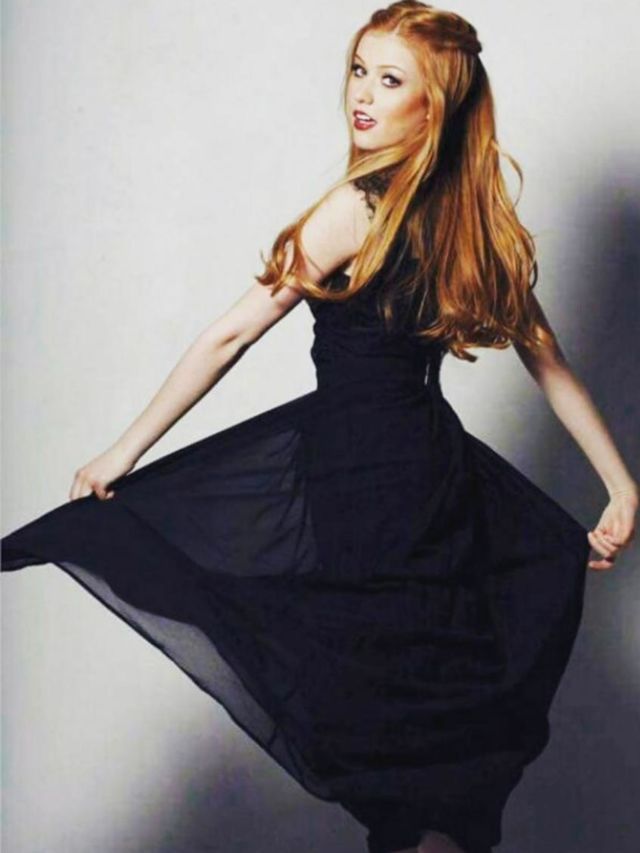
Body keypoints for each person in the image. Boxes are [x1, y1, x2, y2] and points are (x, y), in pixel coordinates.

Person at [2, 2, 637, 852]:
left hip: (364, 483)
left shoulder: (358, 208)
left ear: (435, 106)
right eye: (359, 70)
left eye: (390, 79)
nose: (362, 95)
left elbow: (231, 334)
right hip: (432, 478)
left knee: (394, 728)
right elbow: (549, 360)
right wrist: (620, 484)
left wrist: (124, 450)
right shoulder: (467, 220)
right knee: (425, 725)